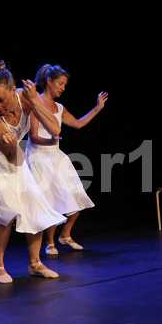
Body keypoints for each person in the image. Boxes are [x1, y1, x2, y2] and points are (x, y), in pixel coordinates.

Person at [0, 61, 66, 284]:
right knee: (6, 209)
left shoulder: (27, 98)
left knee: (34, 204)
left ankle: (35, 264)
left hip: (13, 154)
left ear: (14, 90)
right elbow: (11, 156)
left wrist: (35, 101)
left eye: (0, 99)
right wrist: (12, 144)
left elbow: (55, 129)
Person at [28, 64, 108, 256]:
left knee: (76, 195)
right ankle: (49, 243)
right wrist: (51, 140)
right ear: (49, 81)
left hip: (56, 156)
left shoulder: (59, 107)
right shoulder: (35, 103)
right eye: (60, 84)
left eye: (65, 84)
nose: (63, 88)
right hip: (39, 157)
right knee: (51, 201)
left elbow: (78, 123)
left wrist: (97, 108)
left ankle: (65, 235)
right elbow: (33, 136)